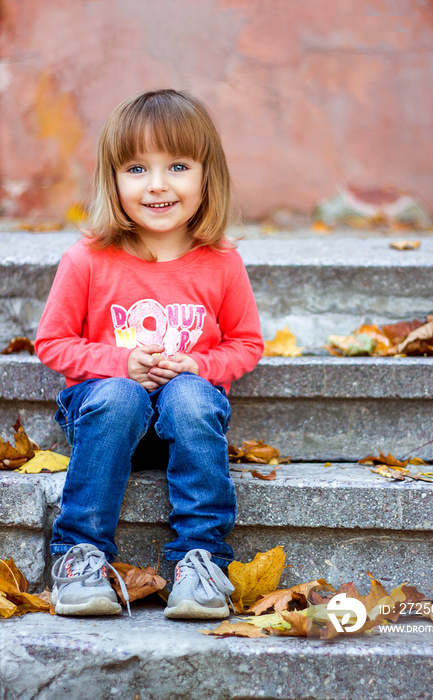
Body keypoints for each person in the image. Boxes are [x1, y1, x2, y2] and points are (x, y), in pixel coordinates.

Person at [35, 89, 264, 620]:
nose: (158, 184)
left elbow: (246, 344)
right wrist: (122, 365)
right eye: (137, 168)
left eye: (178, 166)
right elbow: (52, 343)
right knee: (119, 395)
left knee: (188, 395)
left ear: (207, 176)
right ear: (112, 179)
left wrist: (199, 366)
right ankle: (79, 555)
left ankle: (200, 560)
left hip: (186, 428)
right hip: (107, 420)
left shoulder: (221, 263)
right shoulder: (88, 259)